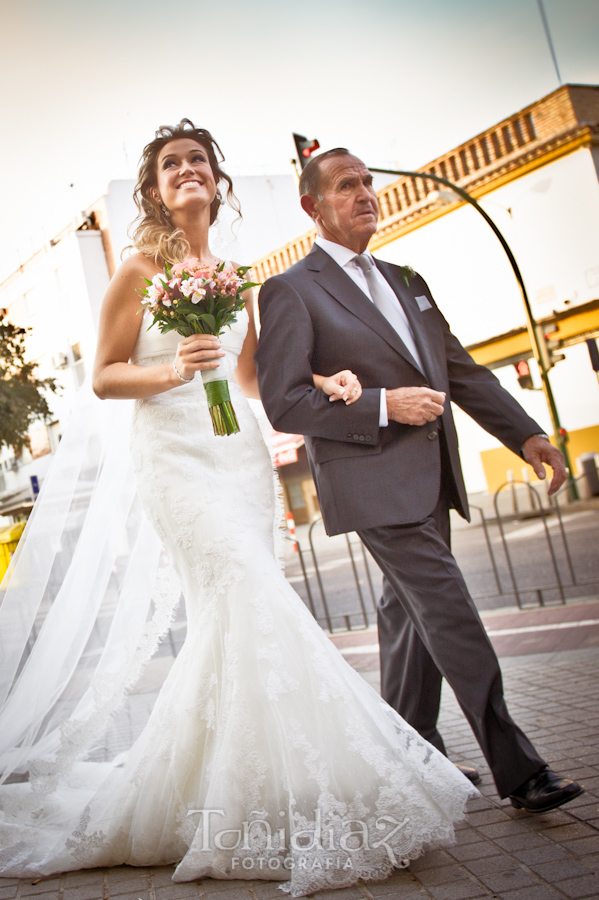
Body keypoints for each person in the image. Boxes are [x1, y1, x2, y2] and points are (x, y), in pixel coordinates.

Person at [0, 122, 475, 896]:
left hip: (237, 458)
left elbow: (254, 381)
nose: (186, 171)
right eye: (170, 164)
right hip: (177, 460)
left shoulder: (239, 276)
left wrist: (327, 384)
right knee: (250, 601)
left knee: (237, 620)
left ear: (217, 184)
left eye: (197, 161)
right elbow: (104, 377)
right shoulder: (137, 269)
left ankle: (233, 789)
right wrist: (168, 371)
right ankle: (291, 790)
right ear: (155, 189)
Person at [255, 147, 583, 815]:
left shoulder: (407, 278)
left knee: (405, 621)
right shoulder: (291, 289)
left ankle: (408, 753)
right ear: (311, 207)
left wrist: (528, 436)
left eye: (368, 183)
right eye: (346, 187)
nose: (364, 195)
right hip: (371, 482)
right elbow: (284, 401)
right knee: (448, 610)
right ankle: (517, 769)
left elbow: (458, 372)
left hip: (433, 478)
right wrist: (383, 404)